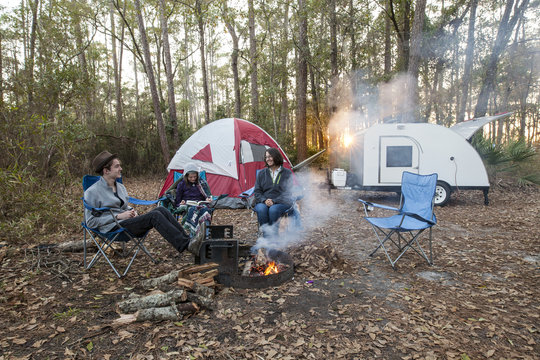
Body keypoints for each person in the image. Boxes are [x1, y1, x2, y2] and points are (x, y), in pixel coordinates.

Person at [84, 151, 205, 256]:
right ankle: (186, 245)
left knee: (161, 210)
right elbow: (90, 222)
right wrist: (118, 216)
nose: (120, 168)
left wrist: (131, 211)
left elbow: (125, 206)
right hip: (112, 228)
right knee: (154, 216)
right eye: (117, 166)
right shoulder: (92, 192)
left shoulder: (120, 187)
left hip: (125, 223)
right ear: (106, 171)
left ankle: (189, 240)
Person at [253, 148, 298, 236]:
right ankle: (266, 237)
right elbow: (257, 191)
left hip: (282, 201)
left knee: (273, 209)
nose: (268, 159)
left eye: (270, 156)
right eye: (266, 157)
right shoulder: (262, 173)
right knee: (262, 209)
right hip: (263, 201)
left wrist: (274, 201)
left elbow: (288, 193)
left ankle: (273, 237)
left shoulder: (287, 173)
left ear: (276, 156)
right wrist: (264, 200)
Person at [174, 163, 213, 237]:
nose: (193, 179)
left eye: (195, 177)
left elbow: (207, 195)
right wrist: (181, 203)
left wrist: (208, 198)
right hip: (188, 204)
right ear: (186, 176)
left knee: (205, 211)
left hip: (200, 203)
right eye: (190, 177)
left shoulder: (201, 183)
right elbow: (178, 200)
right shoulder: (181, 184)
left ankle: (206, 233)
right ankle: (193, 234)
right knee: (193, 210)